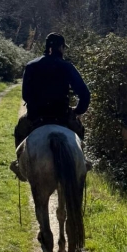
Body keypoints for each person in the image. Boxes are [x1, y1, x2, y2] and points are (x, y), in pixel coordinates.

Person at [10, 33, 90, 180]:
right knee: (79, 129)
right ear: (61, 47)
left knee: (19, 130)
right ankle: (82, 162)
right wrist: (77, 111)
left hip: (36, 116)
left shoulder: (31, 65)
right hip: (62, 115)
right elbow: (84, 94)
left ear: (47, 47)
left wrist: (37, 106)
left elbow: (26, 95)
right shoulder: (67, 67)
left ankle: (19, 165)